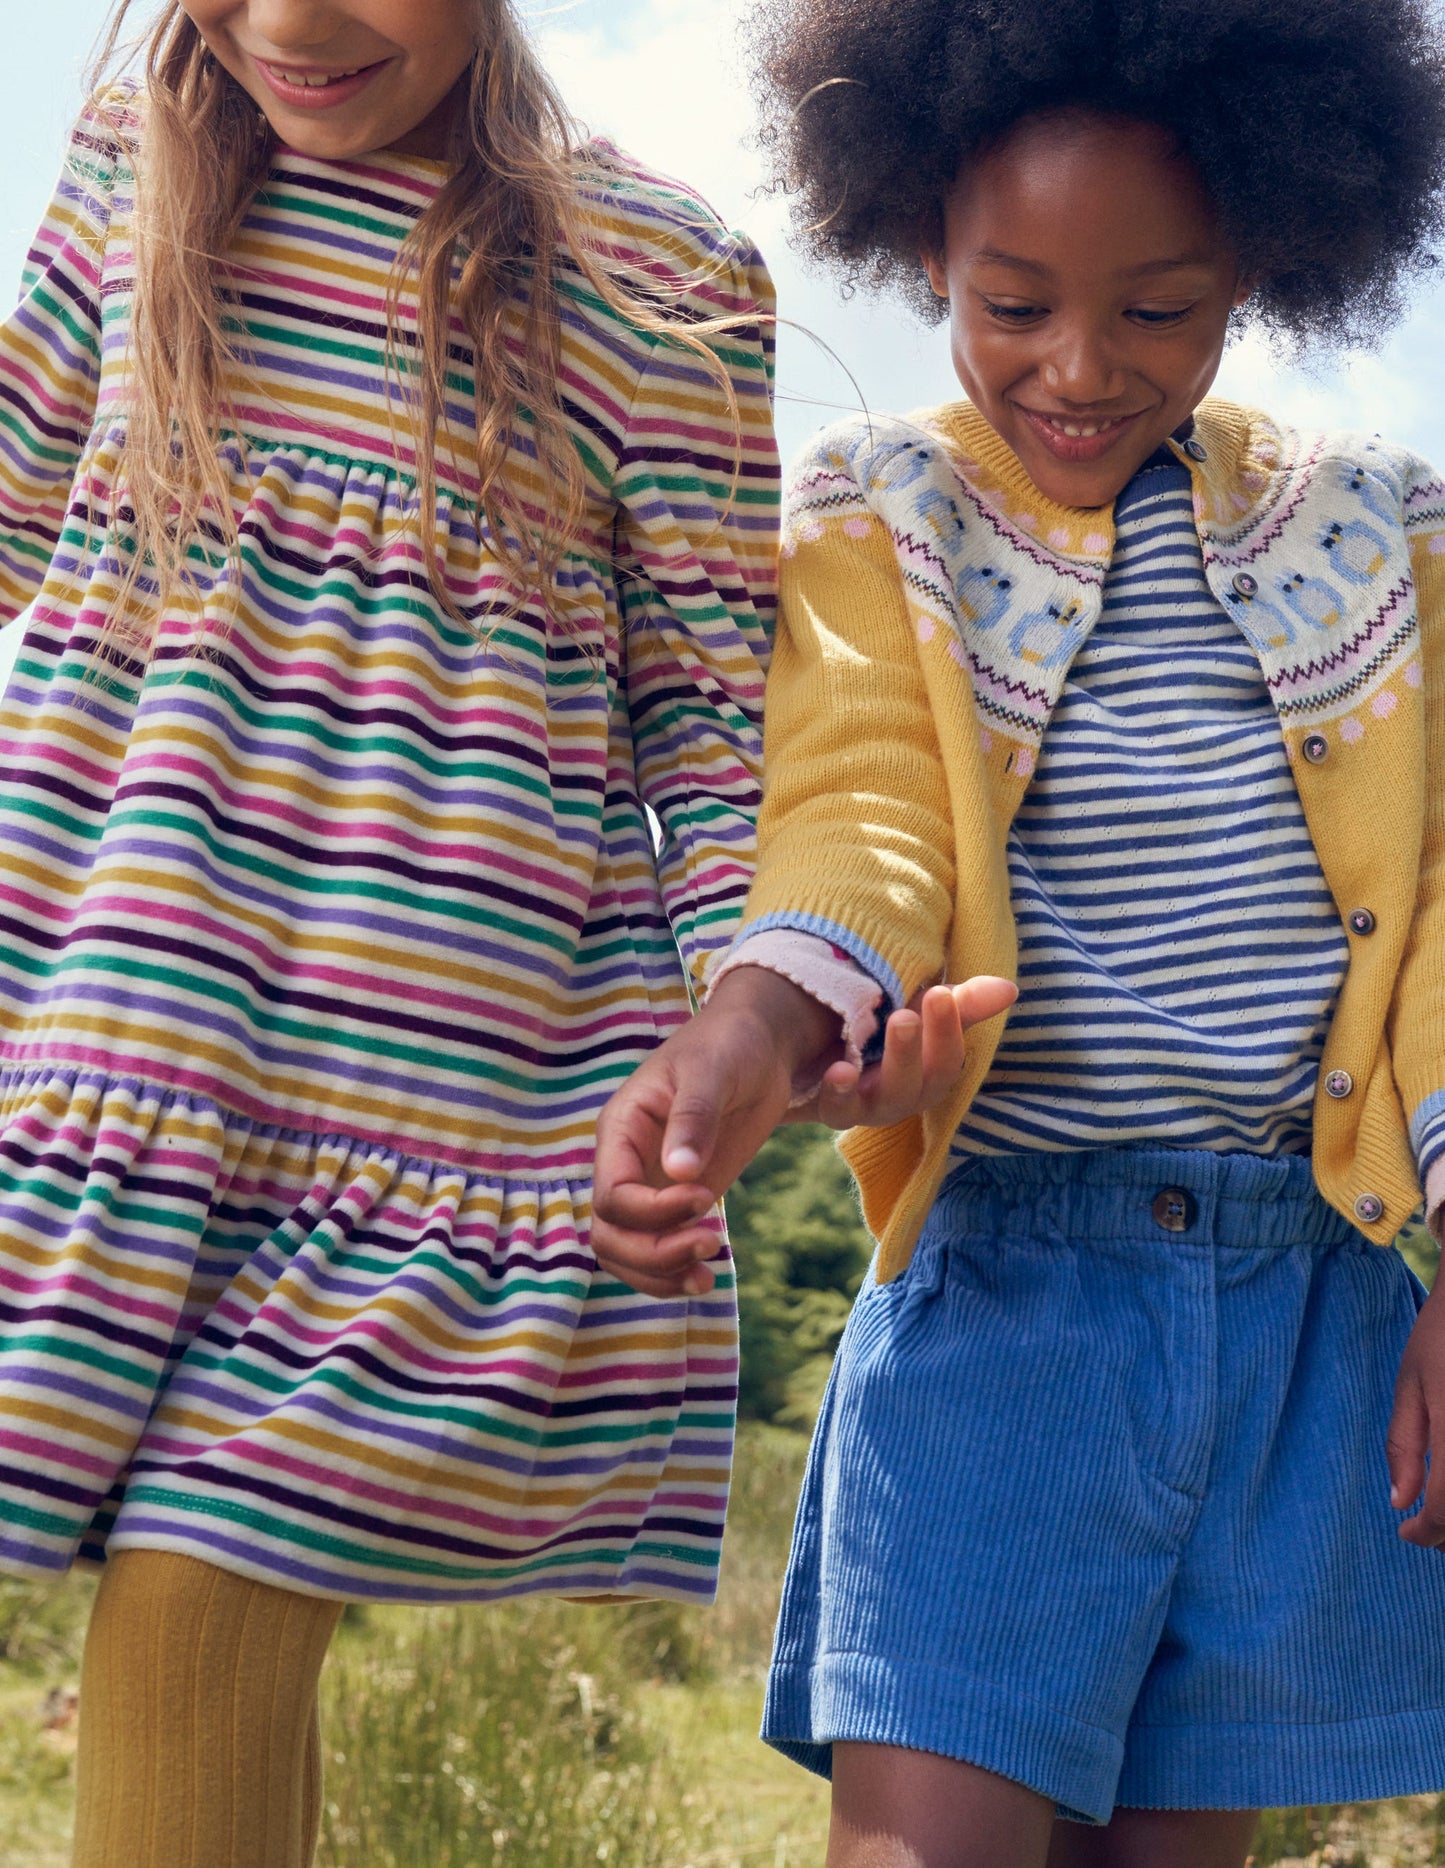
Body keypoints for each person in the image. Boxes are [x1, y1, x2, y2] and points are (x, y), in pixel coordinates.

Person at [590, 1, 1445, 1862]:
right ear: (923, 257)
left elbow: (1440, 918)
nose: (1076, 367)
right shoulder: (880, 522)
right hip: (1005, 1301)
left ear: (1263, 259)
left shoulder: (1379, 535)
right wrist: (749, 1034)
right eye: (1011, 303)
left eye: (1156, 308)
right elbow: (861, 807)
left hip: (1303, 1316)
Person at [0, 1, 796, 1861]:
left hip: (418, 1118)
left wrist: (767, 1016)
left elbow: (713, 733)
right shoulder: (133, 172)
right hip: (103, 1049)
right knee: (200, 1663)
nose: (288, 22)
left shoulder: (665, 279)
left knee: (201, 1612)